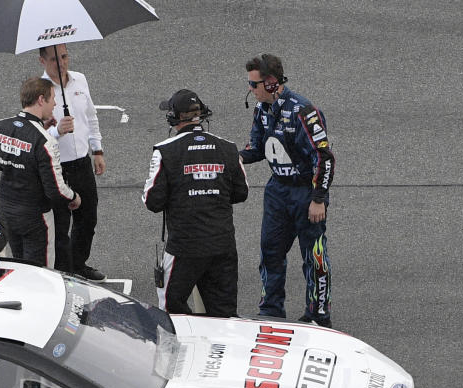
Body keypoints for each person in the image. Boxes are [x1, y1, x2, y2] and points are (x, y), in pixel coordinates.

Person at [240, 53, 335, 327]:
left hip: (305, 192)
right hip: (277, 191)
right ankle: (271, 310)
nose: (251, 88)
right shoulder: (261, 110)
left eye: (254, 83)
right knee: (270, 252)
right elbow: (257, 147)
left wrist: (319, 199)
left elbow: (324, 157)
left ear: (271, 83)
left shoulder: (304, 112)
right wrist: (237, 157)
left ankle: (318, 315)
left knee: (314, 256)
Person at [143, 89, 249, 316]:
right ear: (202, 114)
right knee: (224, 315)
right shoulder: (228, 148)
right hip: (222, 244)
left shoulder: (164, 151)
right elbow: (241, 192)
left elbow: (152, 201)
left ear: (174, 117)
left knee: (172, 312)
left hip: (184, 248)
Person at [0, 77, 80, 266]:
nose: (55, 104)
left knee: (19, 267)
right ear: (40, 100)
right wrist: (74, 197)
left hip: (7, 211)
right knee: (41, 274)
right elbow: (55, 189)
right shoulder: (45, 140)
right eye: (52, 98)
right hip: (35, 218)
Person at [39, 44, 106, 281]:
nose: (62, 63)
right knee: (60, 224)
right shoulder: (41, 90)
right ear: (42, 61)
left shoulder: (80, 80)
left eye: (65, 57)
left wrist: (97, 149)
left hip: (82, 163)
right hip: (56, 166)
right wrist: (57, 131)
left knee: (88, 218)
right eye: (55, 59)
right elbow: (35, 134)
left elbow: (90, 115)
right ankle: (64, 271)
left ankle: (78, 264)